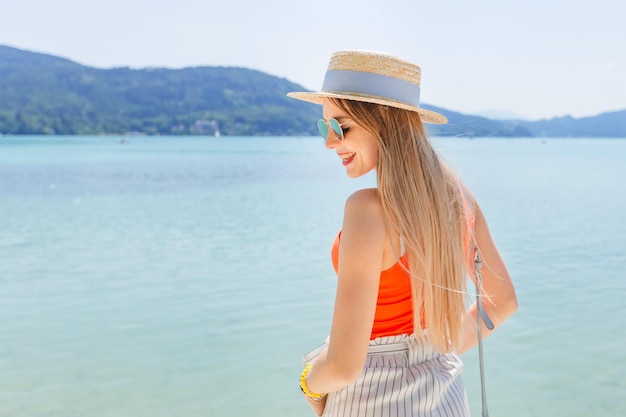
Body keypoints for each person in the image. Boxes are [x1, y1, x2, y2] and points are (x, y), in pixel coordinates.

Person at [287, 50, 518, 417]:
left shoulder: (366, 210)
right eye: (324, 128)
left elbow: (344, 365)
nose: (329, 143)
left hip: (369, 395)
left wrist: (308, 384)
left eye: (340, 127)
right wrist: (433, 350)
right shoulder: (458, 200)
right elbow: (502, 302)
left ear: (384, 123)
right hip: (445, 392)